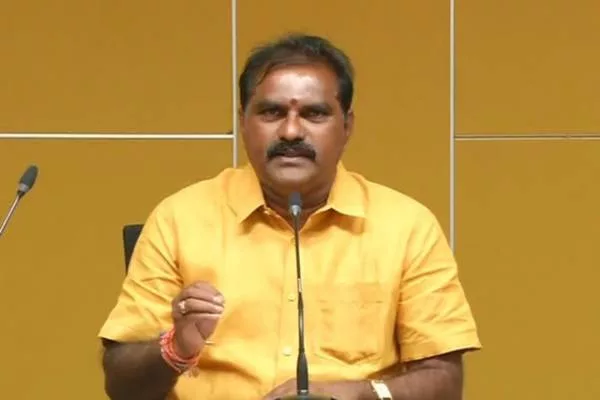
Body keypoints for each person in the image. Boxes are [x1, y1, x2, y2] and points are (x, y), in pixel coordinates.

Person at [98, 33, 481, 400]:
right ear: (243, 121)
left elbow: (445, 384)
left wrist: (357, 394)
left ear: (346, 126)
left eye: (314, 114)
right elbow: (121, 385)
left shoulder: (407, 227)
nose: (292, 131)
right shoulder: (179, 219)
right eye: (272, 112)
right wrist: (175, 348)